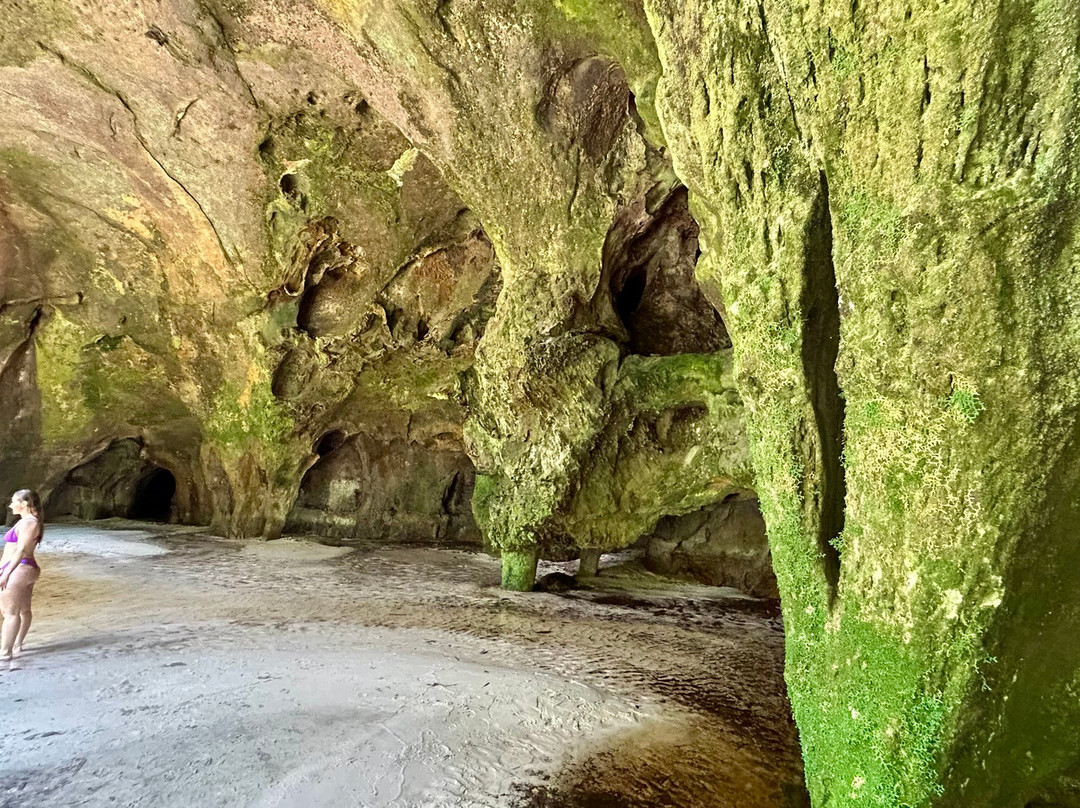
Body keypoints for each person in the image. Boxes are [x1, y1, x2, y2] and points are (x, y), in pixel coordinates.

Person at [1, 489, 43, 661]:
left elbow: (21, 550)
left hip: (19, 569)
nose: (10, 505)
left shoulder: (29, 522)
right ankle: (17, 645)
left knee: (10, 612)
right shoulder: (29, 521)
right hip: (24, 569)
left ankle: (5, 652)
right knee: (23, 610)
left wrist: (6, 573)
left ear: (24, 503)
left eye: (13, 501)